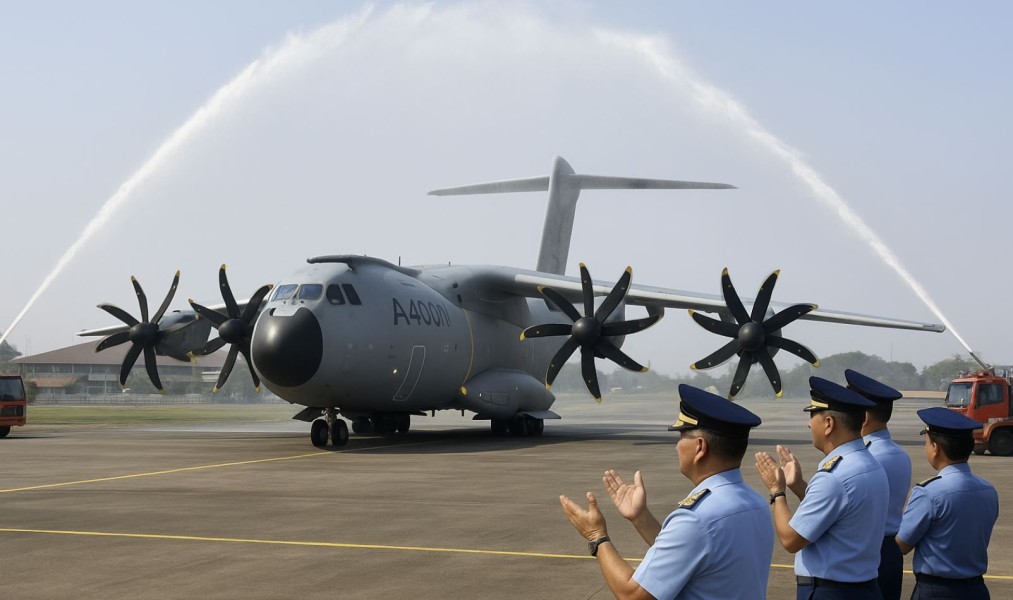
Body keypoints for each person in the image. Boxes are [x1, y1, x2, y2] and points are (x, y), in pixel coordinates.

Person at [560, 384, 773, 600]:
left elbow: (632, 595)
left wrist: (597, 537)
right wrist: (640, 517)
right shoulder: (756, 502)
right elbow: (694, 554)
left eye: (682, 435)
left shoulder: (696, 518)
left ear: (700, 447)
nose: (677, 446)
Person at [754, 376, 888, 600]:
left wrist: (777, 491)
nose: (808, 424)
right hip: (865, 588)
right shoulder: (870, 464)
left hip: (831, 591)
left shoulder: (834, 476)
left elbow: (790, 539)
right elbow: (840, 511)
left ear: (828, 424)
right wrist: (798, 486)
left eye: (812, 415)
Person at [896, 407, 999, 600]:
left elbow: (901, 545)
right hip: (976, 589)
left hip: (937, 591)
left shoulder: (929, 493)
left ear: (935, 448)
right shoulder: (988, 490)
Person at [844, 368, 911, 600]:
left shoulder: (867, 458)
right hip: (890, 551)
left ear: (863, 417)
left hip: (864, 553)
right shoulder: (900, 454)